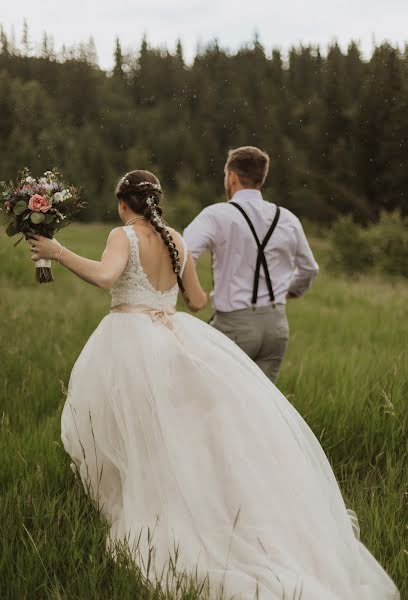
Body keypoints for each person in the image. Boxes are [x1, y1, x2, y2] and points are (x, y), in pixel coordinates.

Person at [28, 170, 399, 600]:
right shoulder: (178, 240)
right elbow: (198, 301)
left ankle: (149, 511)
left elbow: (107, 278)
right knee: (182, 435)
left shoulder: (122, 234)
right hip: (174, 339)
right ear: (158, 201)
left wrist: (57, 251)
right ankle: (197, 507)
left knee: (129, 431)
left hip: (131, 341)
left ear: (123, 204)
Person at [184, 146, 319, 382]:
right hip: (276, 327)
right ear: (261, 178)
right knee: (260, 410)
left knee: (213, 398)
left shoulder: (216, 215)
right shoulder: (287, 218)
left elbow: (183, 255)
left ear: (232, 177)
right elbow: (309, 269)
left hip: (235, 326)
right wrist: (291, 291)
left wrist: (192, 294)